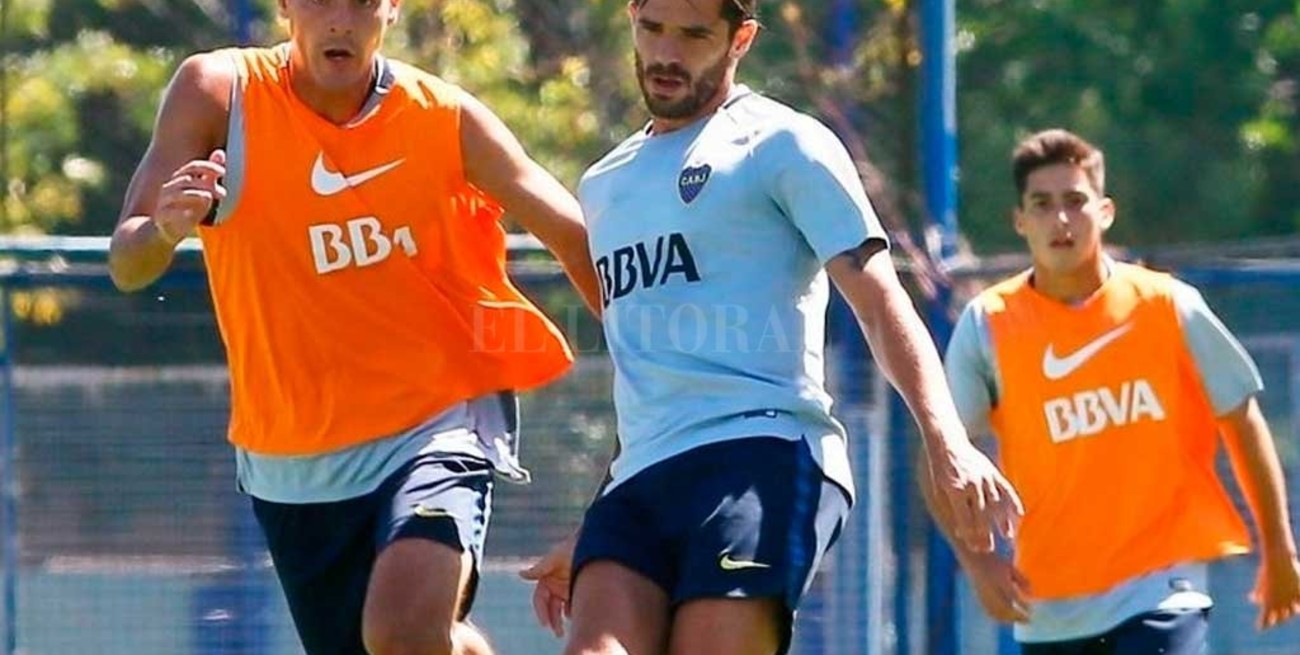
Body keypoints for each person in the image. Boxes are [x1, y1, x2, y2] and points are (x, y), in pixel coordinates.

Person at [519, 1, 1022, 654]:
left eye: (695, 34)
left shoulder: (784, 144)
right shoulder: (604, 183)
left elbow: (878, 299)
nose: (667, 54)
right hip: (641, 479)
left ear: (741, 39)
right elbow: (649, 371)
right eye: (653, 29)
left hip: (764, 455)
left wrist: (947, 440)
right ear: (632, 18)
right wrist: (593, 516)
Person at [107, 1, 603, 654]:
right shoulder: (218, 93)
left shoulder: (443, 117)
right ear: (285, 6)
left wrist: (661, 356)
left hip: (436, 425)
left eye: (362, 0)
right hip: (290, 461)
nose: (340, 19)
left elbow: (575, 236)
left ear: (392, 8)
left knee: (399, 631)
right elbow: (127, 260)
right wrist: (167, 229)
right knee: (404, 642)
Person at [922, 128, 1300, 654]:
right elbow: (940, 458)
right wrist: (980, 563)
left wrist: (1280, 548)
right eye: (1043, 204)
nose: (1060, 220)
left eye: (1075, 202)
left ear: (1104, 212)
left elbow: (1242, 420)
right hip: (1049, 607)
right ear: (1020, 220)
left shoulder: (1168, 305)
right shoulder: (988, 323)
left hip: (1164, 592)